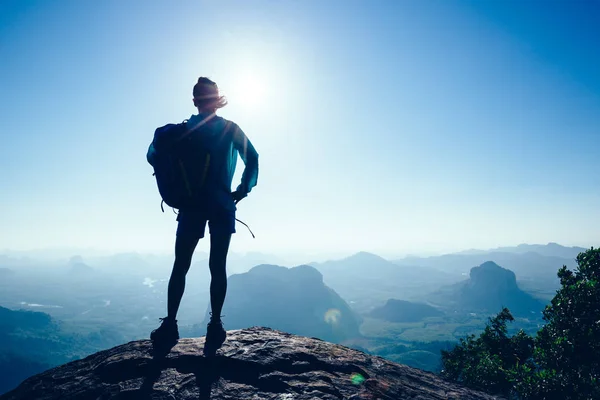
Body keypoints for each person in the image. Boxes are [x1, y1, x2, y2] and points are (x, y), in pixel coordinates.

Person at [150, 77, 259, 355]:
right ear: (217, 100)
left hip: (191, 206)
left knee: (181, 265)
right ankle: (215, 325)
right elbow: (253, 158)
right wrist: (242, 190)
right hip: (222, 205)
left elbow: (153, 155)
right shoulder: (231, 130)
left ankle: (170, 324)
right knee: (217, 265)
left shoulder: (182, 131)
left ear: (196, 101)